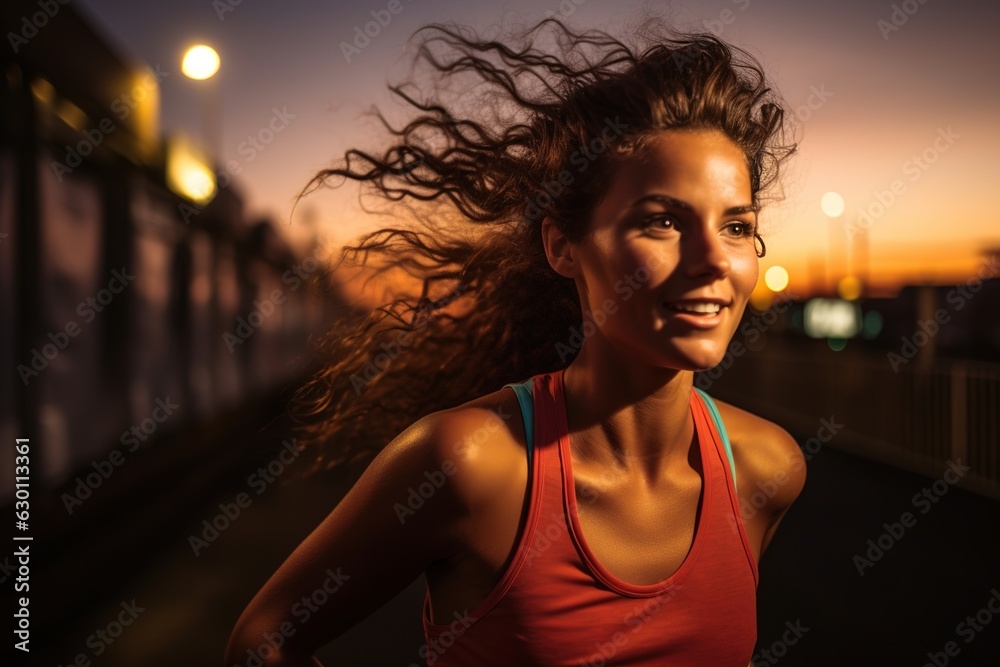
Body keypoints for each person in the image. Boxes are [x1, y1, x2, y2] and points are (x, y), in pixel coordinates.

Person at [225, 11, 805, 667]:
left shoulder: (766, 467)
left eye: (736, 227)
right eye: (663, 220)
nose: (712, 260)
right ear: (563, 245)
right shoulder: (471, 463)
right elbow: (262, 640)